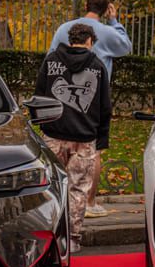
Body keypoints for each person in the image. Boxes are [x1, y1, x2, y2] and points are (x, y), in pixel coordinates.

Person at [49, 0, 131, 218]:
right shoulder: (107, 31)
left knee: (61, 144)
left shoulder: (63, 28)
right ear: (105, 9)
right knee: (92, 149)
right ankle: (90, 202)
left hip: (63, 93)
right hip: (92, 95)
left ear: (85, 5)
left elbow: (50, 57)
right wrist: (115, 21)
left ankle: (60, 200)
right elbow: (125, 47)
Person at [35, 23, 112, 254]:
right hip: (84, 137)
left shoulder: (50, 62)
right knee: (78, 189)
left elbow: (39, 95)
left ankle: (51, 234)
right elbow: (104, 106)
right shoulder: (98, 66)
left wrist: (41, 125)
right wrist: (102, 139)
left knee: (51, 186)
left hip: (53, 134)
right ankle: (73, 239)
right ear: (89, 41)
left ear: (70, 40)